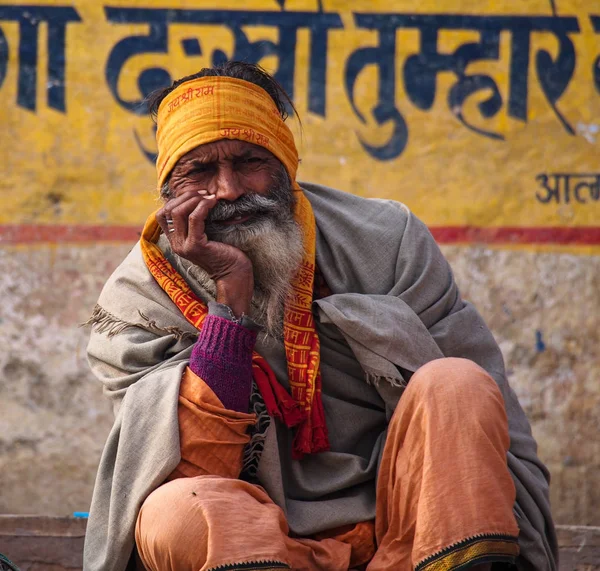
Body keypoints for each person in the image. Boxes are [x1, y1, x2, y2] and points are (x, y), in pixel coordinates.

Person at [84, 62, 557, 571]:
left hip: (407, 531)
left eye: (249, 161)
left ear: (286, 166)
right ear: (170, 187)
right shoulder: (137, 299)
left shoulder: (386, 239)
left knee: (457, 383)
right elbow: (194, 470)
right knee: (174, 512)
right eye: (199, 171)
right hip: (256, 544)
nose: (228, 189)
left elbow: (473, 423)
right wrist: (230, 305)